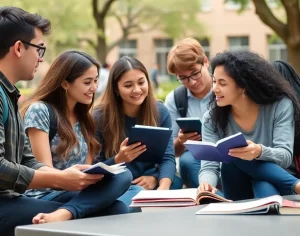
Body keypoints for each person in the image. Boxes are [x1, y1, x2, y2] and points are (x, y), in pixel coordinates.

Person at [0, 7, 130, 236]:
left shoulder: (10, 95)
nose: (42, 57)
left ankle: (64, 214)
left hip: (15, 199)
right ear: (19, 48)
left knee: (120, 188)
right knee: (107, 213)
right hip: (6, 203)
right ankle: (65, 214)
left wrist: (73, 174)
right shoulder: (25, 105)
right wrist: (61, 178)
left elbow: (28, 161)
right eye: (39, 48)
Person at [21, 50, 132, 221]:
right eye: (87, 82)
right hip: (45, 194)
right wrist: (70, 179)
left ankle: (64, 214)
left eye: (96, 81)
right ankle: (64, 214)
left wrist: (115, 162)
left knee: (124, 176)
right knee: (117, 209)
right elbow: (42, 169)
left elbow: (86, 168)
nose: (94, 88)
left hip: (76, 193)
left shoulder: (85, 118)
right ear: (65, 83)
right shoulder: (40, 110)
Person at [198, 50, 300, 201]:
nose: (214, 89)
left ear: (243, 86)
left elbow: (284, 156)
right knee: (233, 155)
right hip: (237, 184)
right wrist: (206, 184)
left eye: (222, 83)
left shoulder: (280, 105)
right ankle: (296, 185)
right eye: (214, 81)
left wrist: (258, 151)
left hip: (277, 179)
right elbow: (209, 166)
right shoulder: (211, 118)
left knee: (264, 186)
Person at [93, 56, 182, 212]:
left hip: (150, 180)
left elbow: (168, 157)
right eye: (128, 85)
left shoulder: (160, 111)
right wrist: (118, 159)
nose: (137, 90)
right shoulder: (99, 117)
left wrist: (160, 187)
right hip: (115, 183)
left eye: (141, 82)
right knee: (122, 207)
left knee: (175, 182)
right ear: (116, 89)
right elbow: (95, 168)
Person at [165, 37, 212, 188]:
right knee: (186, 162)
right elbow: (171, 151)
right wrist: (181, 141)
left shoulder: (225, 89)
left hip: (230, 155)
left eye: (195, 73)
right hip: (197, 158)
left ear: (205, 61)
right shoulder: (175, 100)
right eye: (183, 78)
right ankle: (214, 198)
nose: (191, 82)